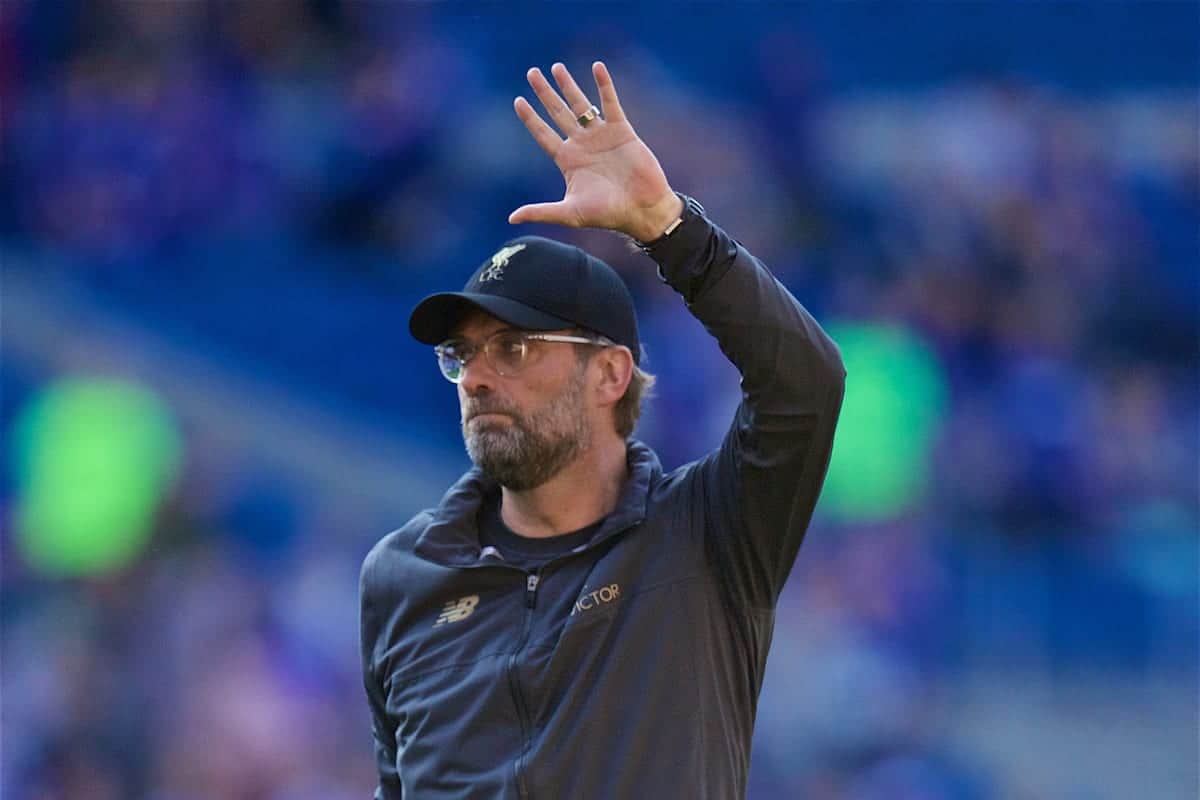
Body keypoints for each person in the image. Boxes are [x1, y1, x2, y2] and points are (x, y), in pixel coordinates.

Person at [360, 60, 846, 799]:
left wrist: (668, 230)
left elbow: (805, 386)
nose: (480, 377)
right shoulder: (402, 577)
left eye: (516, 349)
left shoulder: (706, 536)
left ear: (610, 375)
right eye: (462, 355)